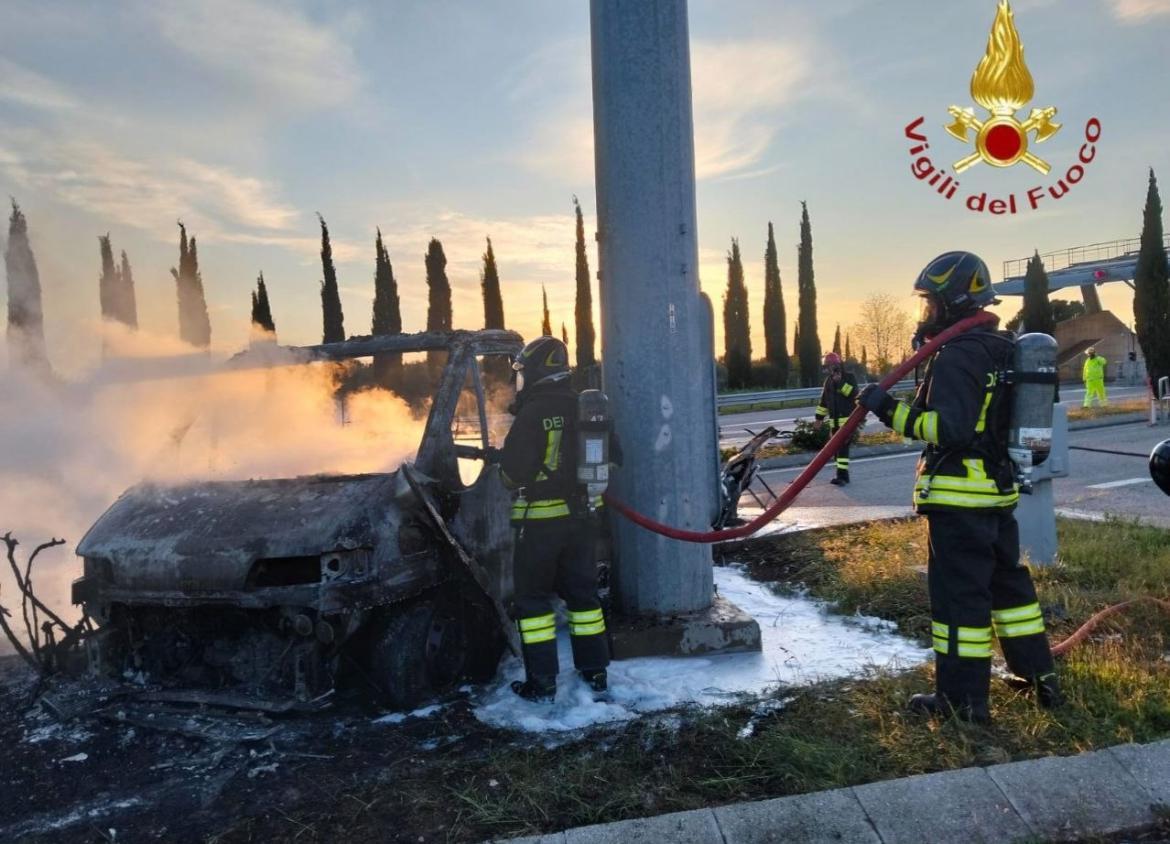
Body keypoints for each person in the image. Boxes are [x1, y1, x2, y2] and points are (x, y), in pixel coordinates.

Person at [856, 251, 1062, 724]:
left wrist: (885, 409)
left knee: (959, 603)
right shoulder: (1002, 347)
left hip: (958, 499)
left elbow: (947, 428)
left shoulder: (957, 356)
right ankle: (1039, 678)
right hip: (996, 495)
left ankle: (961, 701)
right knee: (1010, 588)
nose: (925, 313)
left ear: (951, 301)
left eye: (930, 303)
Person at [495, 336, 615, 703]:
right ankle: (595, 673)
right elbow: (614, 454)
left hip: (540, 526)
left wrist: (502, 468)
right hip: (582, 522)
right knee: (584, 599)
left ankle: (542, 682)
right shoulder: (585, 406)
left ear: (534, 371)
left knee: (532, 605)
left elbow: (513, 474)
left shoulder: (533, 412)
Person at [814, 352, 858, 485]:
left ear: (838, 365)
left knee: (842, 448)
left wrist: (840, 383)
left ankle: (842, 477)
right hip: (834, 424)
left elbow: (853, 394)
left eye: (831, 365)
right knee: (835, 450)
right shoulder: (828, 382)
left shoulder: (849, 378)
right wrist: (818, 419)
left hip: (847, 422)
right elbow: (824, 402)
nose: (829, 369)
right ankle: (842, 476)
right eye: (827, 366)